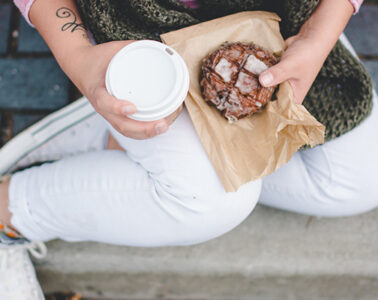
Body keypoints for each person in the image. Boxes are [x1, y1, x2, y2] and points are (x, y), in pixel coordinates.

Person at [1, 0, 377, 298]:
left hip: (275, 17)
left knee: (359, 179)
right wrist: (79, 58)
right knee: (213, 201)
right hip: (137, 31)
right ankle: (11, 213)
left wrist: (319, 33)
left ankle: (118, 143)